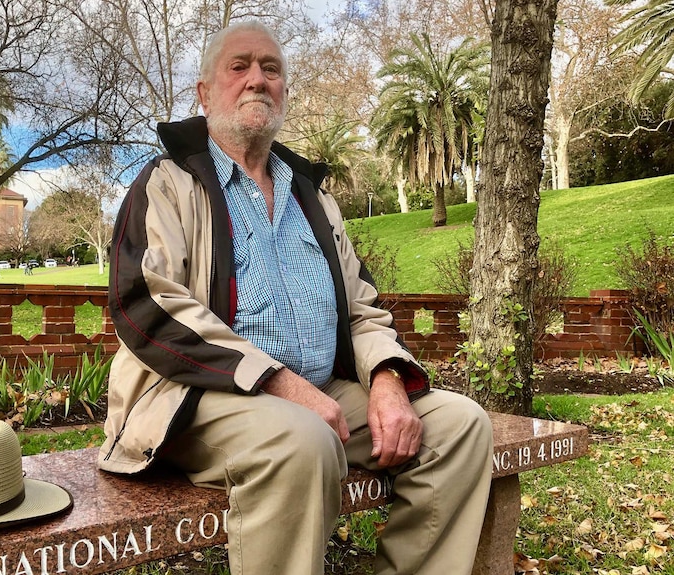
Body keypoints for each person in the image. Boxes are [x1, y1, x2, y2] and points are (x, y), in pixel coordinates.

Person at [99, 21, 493, 575]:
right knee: (301, 440)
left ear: (285, 90)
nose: (257, 79)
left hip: (321, 395)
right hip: (195, 399)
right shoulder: (168, 183)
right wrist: (277, 382)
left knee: (460, 427)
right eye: (239, 67)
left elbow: (361, 304)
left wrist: (385, 381)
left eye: (271, 68)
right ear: (205, 92)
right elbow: (145, 302)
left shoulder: (311, 195)